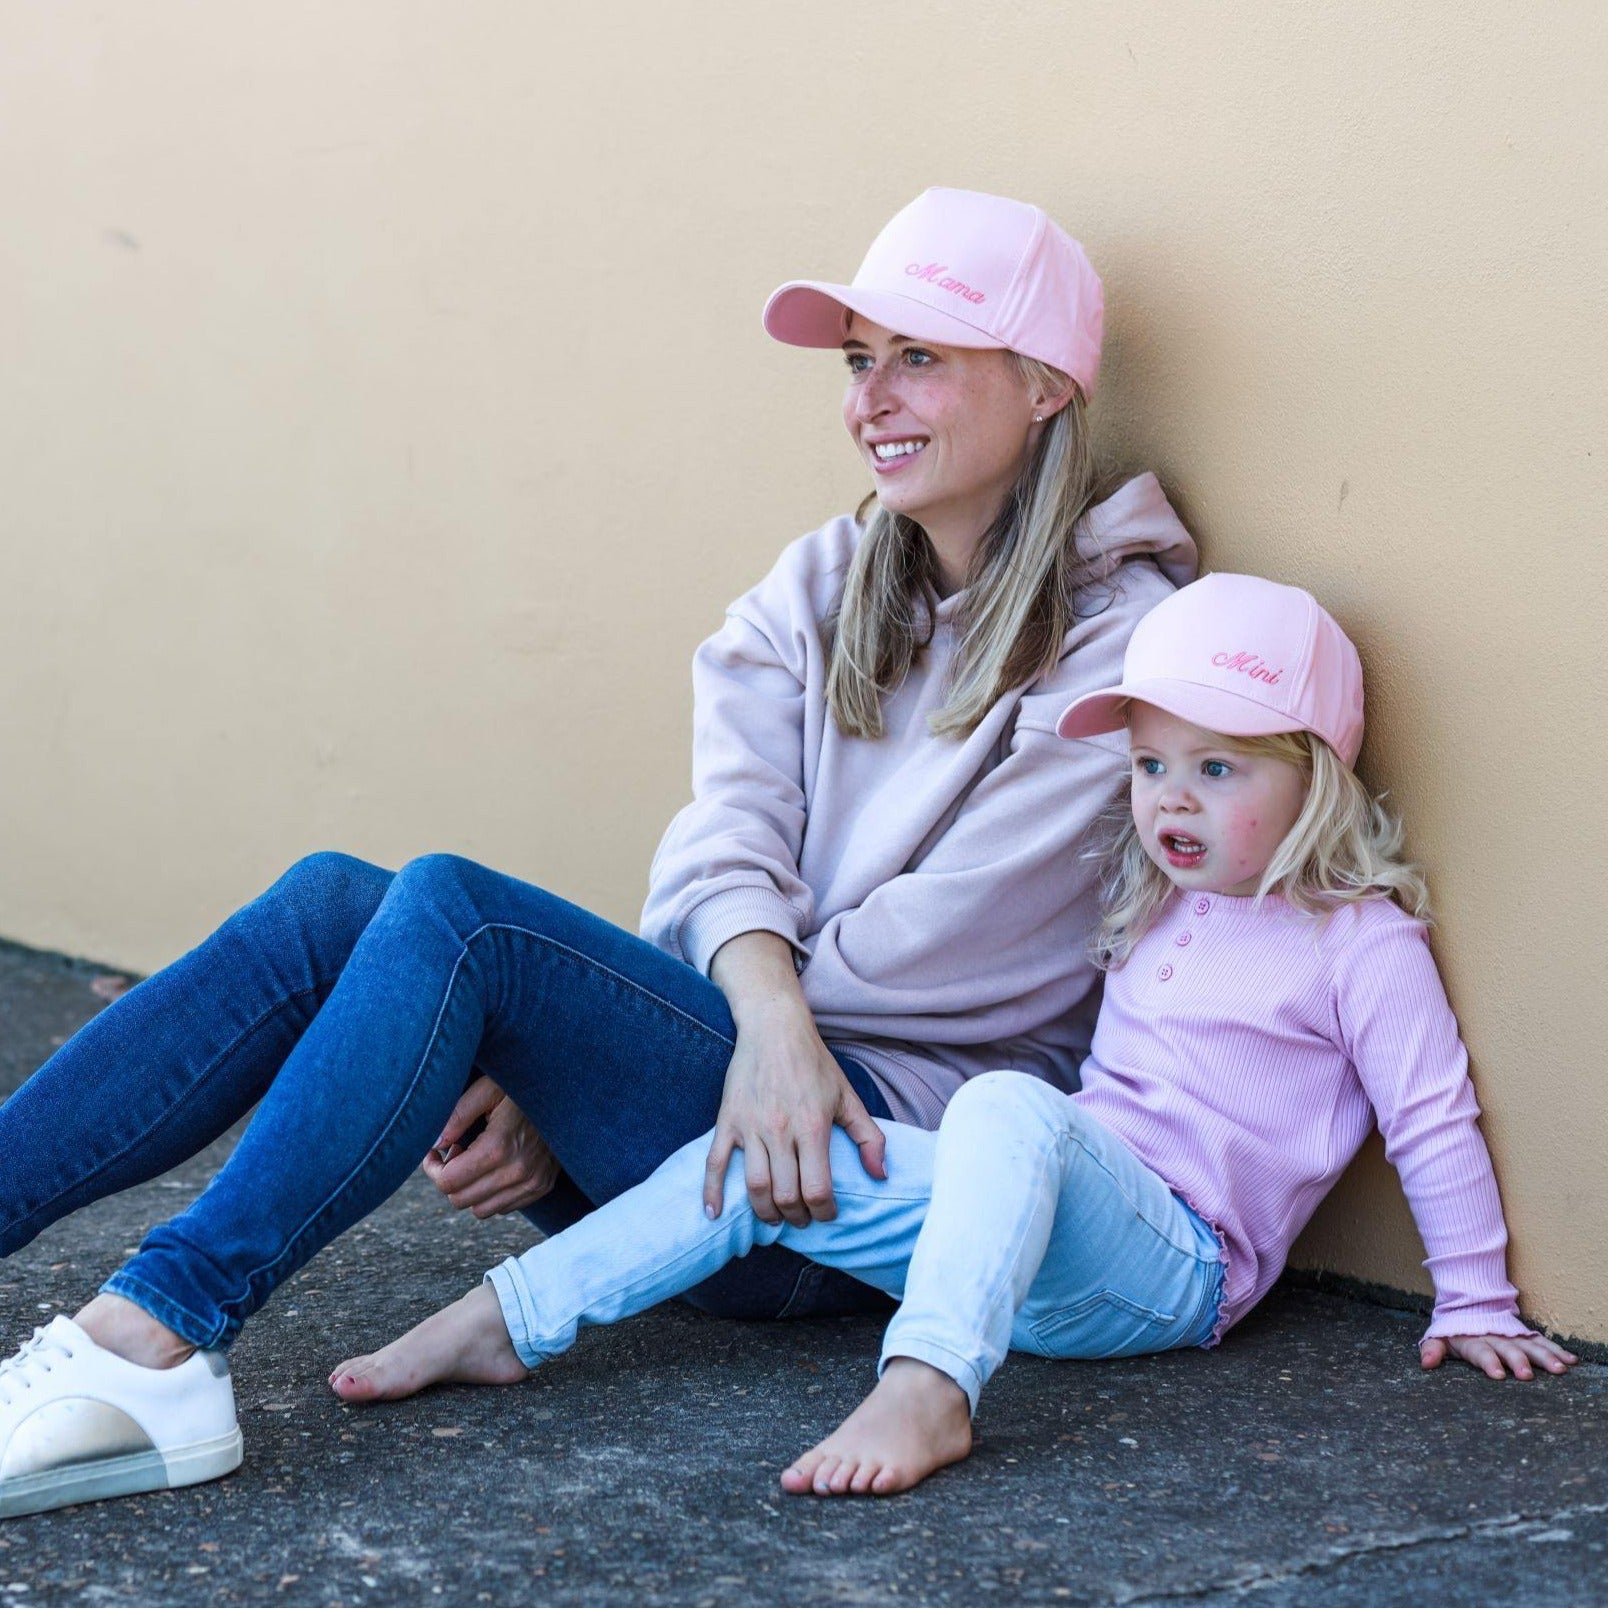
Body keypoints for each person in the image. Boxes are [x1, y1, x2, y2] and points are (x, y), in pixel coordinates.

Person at [0, 187, 1198, 1519]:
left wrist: (607, 1040)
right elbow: (721, 841)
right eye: (860, 361)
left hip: (843, 1179)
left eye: (918, 356)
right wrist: (583, 1063)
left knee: (466, 920)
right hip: (750, 1085)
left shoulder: (1124, 657)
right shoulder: (825, 583)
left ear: (1041, 383)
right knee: (337, 903)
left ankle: (152, 1337)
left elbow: (958, 955)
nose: (870, 398)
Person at [327, 573, 1577, 1497]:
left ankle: (927, 1387)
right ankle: (513, 1314)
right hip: (1030, 1231)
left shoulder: (1360, 941)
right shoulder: (1157, 904)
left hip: (1177, 1269)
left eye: (1219, 770)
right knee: (776, 1145)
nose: (1171, 801)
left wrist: (1474, 1295)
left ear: (1316, 774)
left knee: (1007, 1108)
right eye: (1150, 768)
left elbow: (1430, 1111)